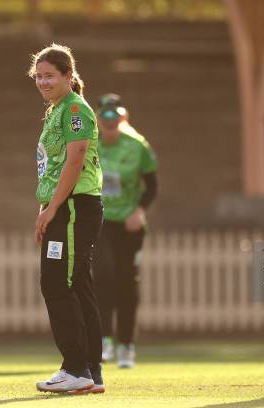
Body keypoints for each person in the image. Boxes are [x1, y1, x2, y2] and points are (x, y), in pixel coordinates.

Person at [28, 43, 105, 394]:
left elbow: (75, 161)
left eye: (50, 76)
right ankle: (90, 370)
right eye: (38, 76)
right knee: (77, 284)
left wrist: (55, 207)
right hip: (64, 206)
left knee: (58, 283)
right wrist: (45, 207)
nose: (43, 82)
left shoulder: (75, 109)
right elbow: (53, 166)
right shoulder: (57, 108)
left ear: (68, 76)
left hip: (74, 206)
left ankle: (75, 368)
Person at [92, 96, 158, 368]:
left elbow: (152, 184)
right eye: (105, 118)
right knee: (103, 276)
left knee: (126, 282)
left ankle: (126, 344)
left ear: (123, 119)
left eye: (114, 119)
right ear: (98, 119)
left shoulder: (137, 146)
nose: (110, 124)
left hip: (128, 224)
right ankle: (104, 339)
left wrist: (139, 210)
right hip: (99, 222)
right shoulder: (89, 144)